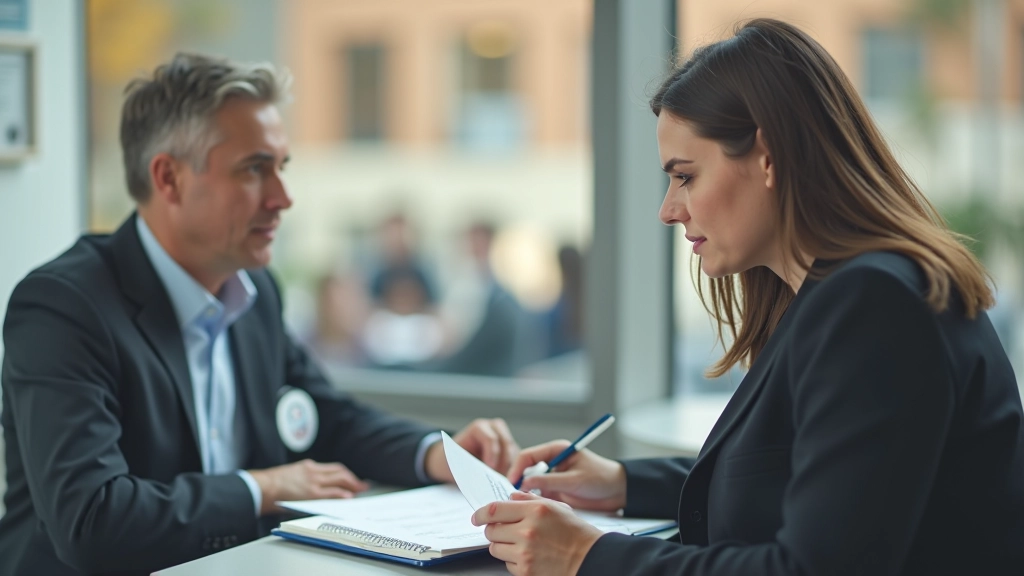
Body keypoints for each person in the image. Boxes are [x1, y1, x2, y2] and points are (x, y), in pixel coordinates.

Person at [472, 19, 1024, 576]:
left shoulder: (875, 306)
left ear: (767, 156)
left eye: (685, 177)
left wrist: (586, 556)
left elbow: (811, 567)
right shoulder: (833, 293)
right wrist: (621, 482)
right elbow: (805, 481)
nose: (668, 209)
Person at [0, 53, 519, 576]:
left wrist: (438, 455)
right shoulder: (64, 307)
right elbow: (91, 520)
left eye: (282, 167)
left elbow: (324, 416)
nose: (283, 197)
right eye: (255, 169)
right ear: (169, 178)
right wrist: (263, 487)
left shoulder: (253, 290)